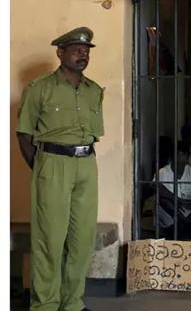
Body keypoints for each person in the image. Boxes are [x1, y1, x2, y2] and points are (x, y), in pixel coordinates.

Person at [16, 27, 102, 311]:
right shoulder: (39, 89)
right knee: (49, 241)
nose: (83, 54)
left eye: (87, 50)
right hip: (52, 164)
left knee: (81, 240)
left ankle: (72, 303)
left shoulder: (94, 91)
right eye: (77, 50)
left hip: (86, 166)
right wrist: (43, 168)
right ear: (60, 53)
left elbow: (93, 134)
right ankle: (45, 305)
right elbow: (24, 135)